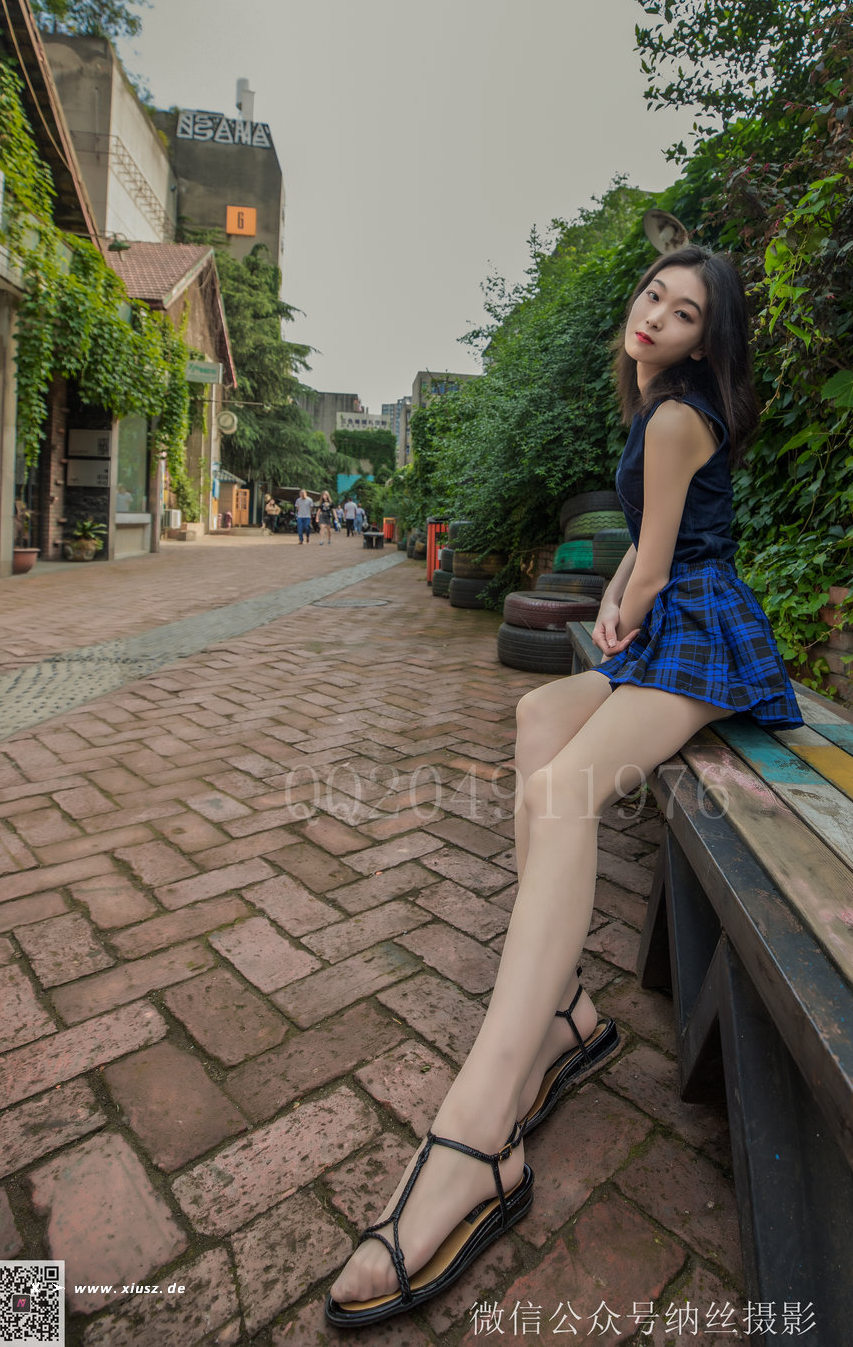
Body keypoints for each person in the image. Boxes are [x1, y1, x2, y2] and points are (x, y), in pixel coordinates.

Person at [325, 213, 803, 1330]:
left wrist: (625, 610)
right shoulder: (655, 404)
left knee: (561, 789)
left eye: (684, 313)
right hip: (670, 624)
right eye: (653, 296)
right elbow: (642, 551)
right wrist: (619, 600)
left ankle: (481, 1127)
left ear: (705, 340)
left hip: (704, 636)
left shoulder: (677, 417)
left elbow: (661, 561)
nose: (656, 316)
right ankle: (562, 1012)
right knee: (539, 712)